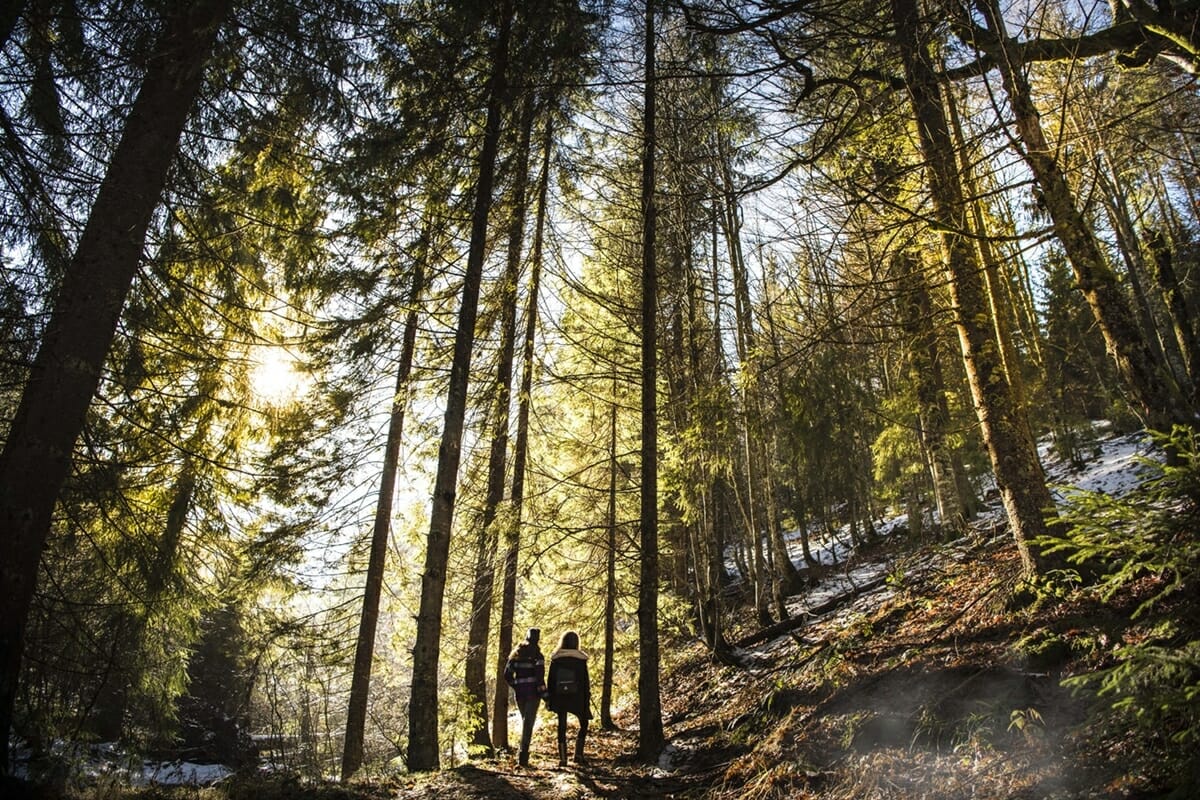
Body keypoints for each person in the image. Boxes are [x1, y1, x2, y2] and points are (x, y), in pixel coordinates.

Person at [546, 630, 592, 767]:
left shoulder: (556, 659)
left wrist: (550, 698)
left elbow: (551, 680)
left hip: (560, 696)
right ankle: (578, 755)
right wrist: (587, 697)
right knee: (584, 724)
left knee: (562, 726)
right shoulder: (581, 660)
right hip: (577, 696)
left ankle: (563, 758)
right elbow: (585, 681)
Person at [503, 627, 546, 767]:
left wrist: (516, 684)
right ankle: (523, 756)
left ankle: (522, 754)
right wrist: (546, 696)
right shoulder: (538, 656)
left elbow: (507, 674)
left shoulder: (516, 654)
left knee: (525, 722)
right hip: (533, 694)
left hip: (520, 694)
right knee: (528, 724)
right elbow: (540, 679)